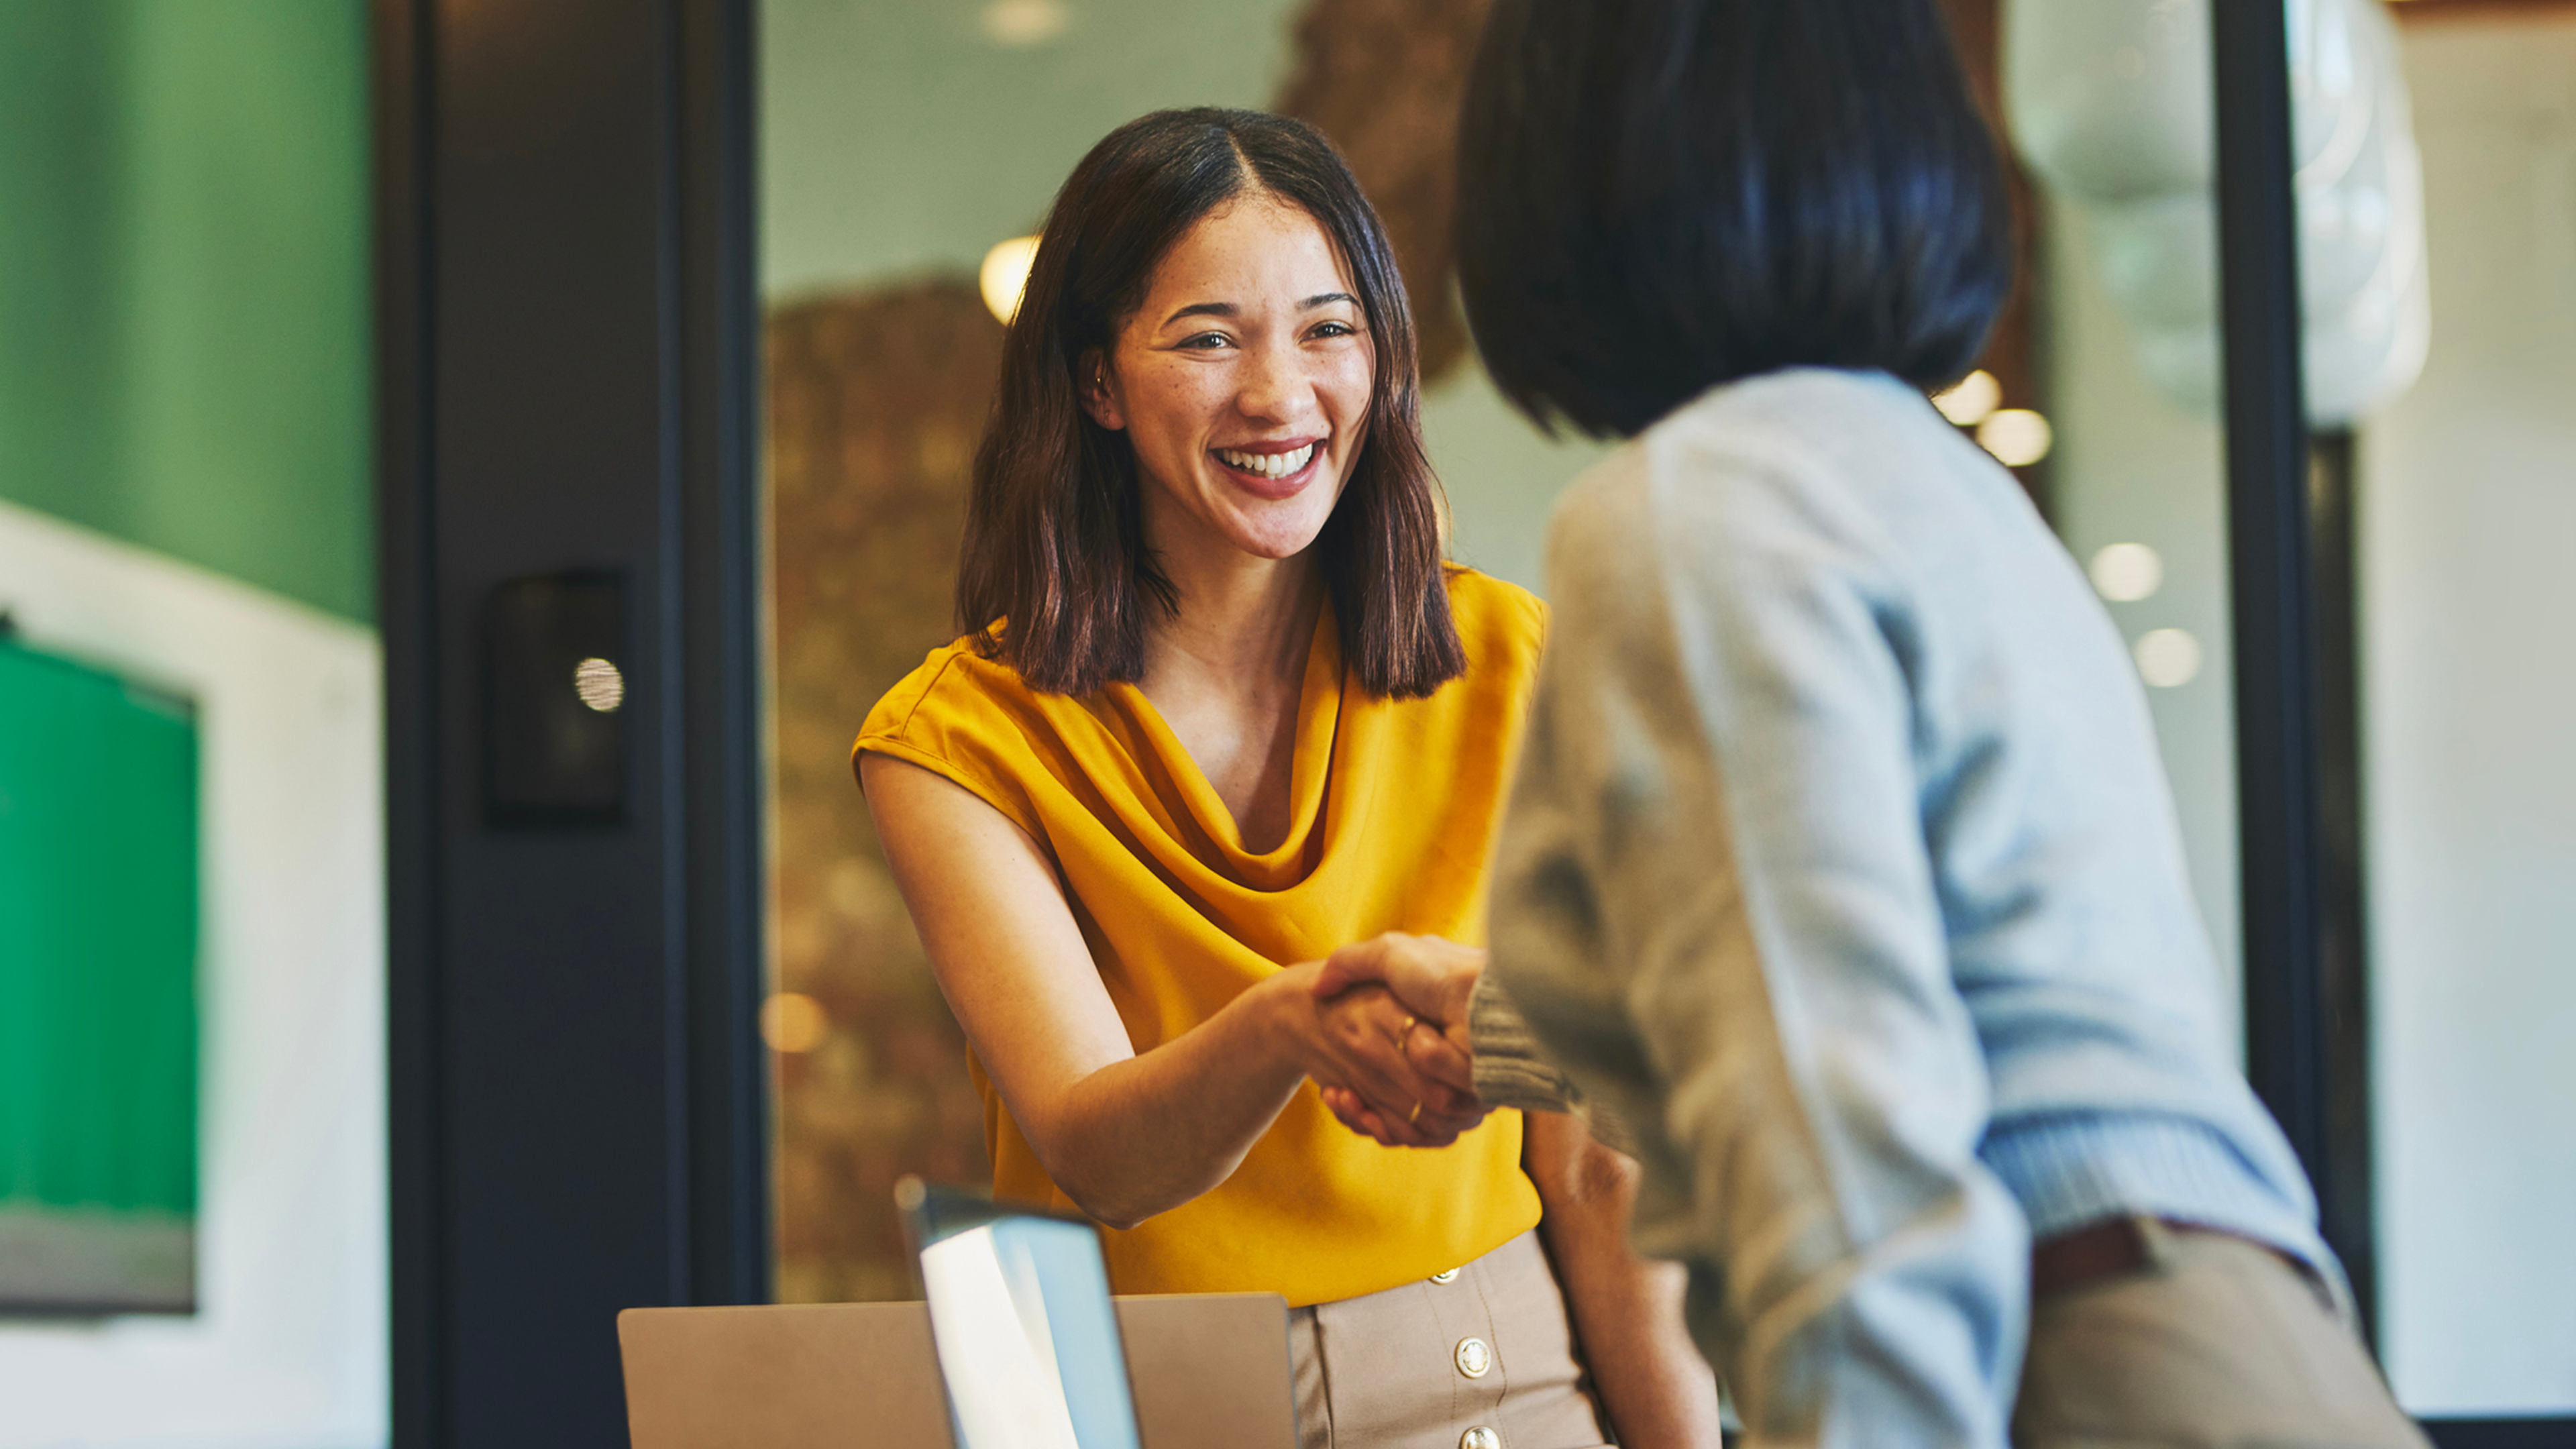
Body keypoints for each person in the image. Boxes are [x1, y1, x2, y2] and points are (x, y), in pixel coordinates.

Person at [1307, 3, 2434, 1447]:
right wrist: (1504, 1037)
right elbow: (1931, 993)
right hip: (2222, 1333)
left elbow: (1845, 1162)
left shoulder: (1698, 511)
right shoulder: (1931, 479)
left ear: (1568, 175)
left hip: (2060, 1357)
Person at [853, 109, 1721, 1449]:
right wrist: (1293, 1023)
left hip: (1506, 1380)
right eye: (1209, 338)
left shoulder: (1513, 660)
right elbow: (1100, 1155)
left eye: (1330, 329)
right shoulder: (953, 743)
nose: (1280, 394)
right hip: (1142, 1403)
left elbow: (1603, 1159)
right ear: (1095, 383)